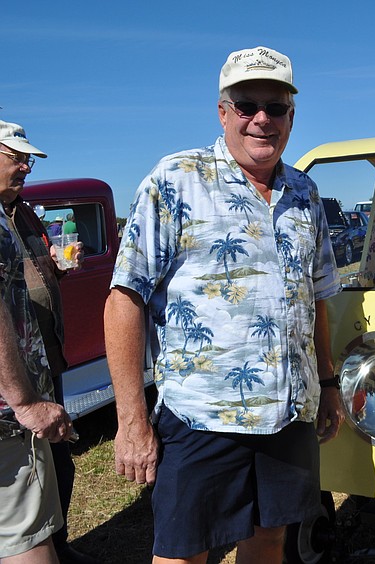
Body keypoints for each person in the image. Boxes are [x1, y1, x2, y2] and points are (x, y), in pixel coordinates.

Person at [103, 46, 344, 563]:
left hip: (287, 416)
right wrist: (130, 419)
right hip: (201, 417)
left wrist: (326, 383)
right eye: (246, 105)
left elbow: (315, 299)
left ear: (291, 116)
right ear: (223, 112)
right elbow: (125, 298)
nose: (261, 119)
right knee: (184, 554)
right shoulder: (175, 180)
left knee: (270, 539)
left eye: (275, 107)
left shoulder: (305, 192)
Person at [0, 121, 93, 564]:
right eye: (16, 156)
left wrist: (53, 266)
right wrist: (21, 398)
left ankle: (59, 543)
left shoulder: (22, 211)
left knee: (56, 462)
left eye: (28, 160)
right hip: (11, 388)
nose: (25, 167)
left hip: (41, 356)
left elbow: (26, 277)